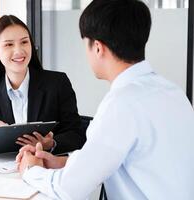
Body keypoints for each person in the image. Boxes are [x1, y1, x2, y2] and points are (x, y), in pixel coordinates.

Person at [16, 0, 194, 199]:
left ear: (98, 48)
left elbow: (68, 189)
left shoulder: (122, 104)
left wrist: (30, 170)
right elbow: (117, 157)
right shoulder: (173, 92)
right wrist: (62, 162)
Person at [0, 15, 86, 156]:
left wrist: (50, 143)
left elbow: (77, 134)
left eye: (24, 42)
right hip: (4, 173)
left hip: (44, 168)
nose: (18, 51)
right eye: (9, 44)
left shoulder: (57, 83)